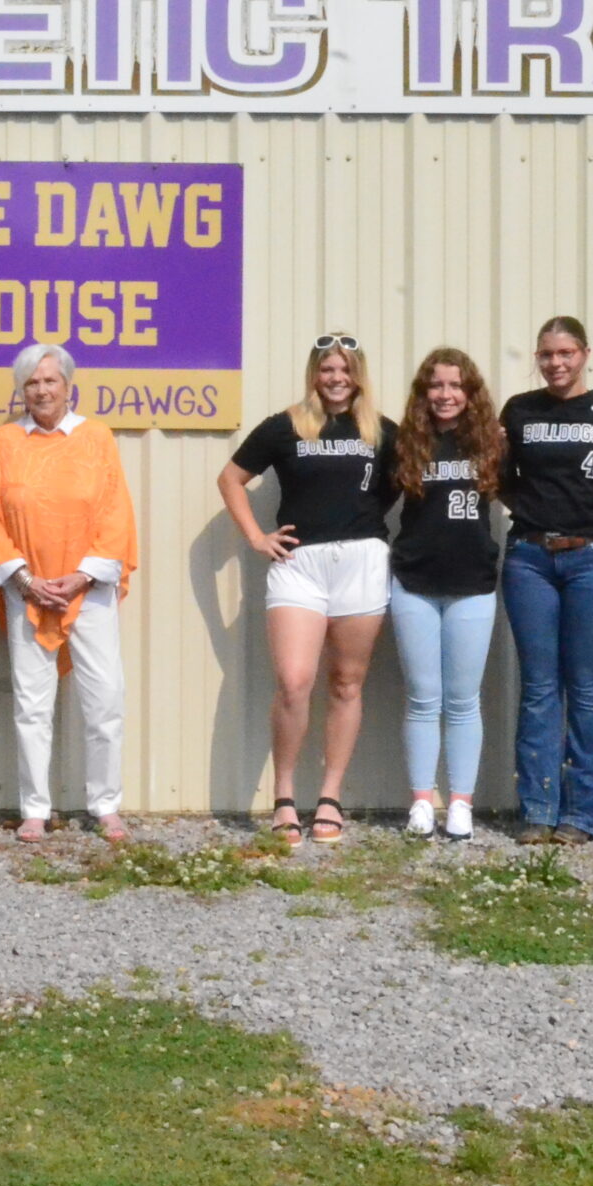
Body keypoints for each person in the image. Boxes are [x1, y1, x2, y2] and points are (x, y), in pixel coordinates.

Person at [218, 334, 393, 848]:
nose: (336, 379)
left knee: (346, 683)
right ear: (314, 374)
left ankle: (330, 796)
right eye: (327, 369)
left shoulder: (382, 431)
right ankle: (285, 796)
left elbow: (404, 483)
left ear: (358, 375)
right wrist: (257, 537)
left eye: (345, 369)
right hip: (300, 566)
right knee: (294, 681)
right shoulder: (285, 426)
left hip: (362, 561)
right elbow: (230, 479)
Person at [0, 343, 140, 844]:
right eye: (32, 382)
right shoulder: (6, 441)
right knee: (31, 705)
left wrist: (81, 577)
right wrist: (27, 581)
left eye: (51, 380)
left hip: (88, 592)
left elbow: (115, 514)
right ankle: (34, 809)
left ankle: (105, 805)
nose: (42, 390)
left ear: (69, 386)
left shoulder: (96, 437)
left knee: (104, 699)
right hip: (27, 592)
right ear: (21, 391)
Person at [500, 316, 593, 845]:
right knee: (539, 688)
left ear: (585, 354)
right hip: (530, 559)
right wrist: (533, 511)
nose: (556, 363)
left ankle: (582, 815)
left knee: (586, 690)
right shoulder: (519, 410)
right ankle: (539, 810)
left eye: (566, 353)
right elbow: (501, 476)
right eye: (546, 354)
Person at [386, 348, 505, 842]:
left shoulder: (492, 441)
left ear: (471, 392)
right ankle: (420, 802)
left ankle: (460, 803)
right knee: (422, 698)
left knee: (462, 700)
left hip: (472, 585)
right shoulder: (405, 442)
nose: (445, 394)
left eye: (456, 385)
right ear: (423, 392)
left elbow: (533, 492)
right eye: (436, 385)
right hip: (414, 582)